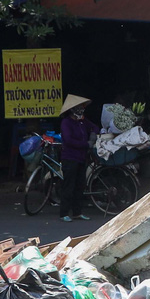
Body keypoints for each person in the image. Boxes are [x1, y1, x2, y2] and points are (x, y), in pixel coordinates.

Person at [57, 93, 92, 221]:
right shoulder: (66, 122)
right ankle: (64, 213)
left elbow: (94, 127)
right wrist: (85, 144)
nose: (81, 109)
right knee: (68, 186)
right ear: (73, 109)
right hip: (70, 158)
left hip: (81, 158)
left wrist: (93, 135)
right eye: (79, 107)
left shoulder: (82, 121)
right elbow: (68, 140)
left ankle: (77, 212)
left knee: (80, 186)